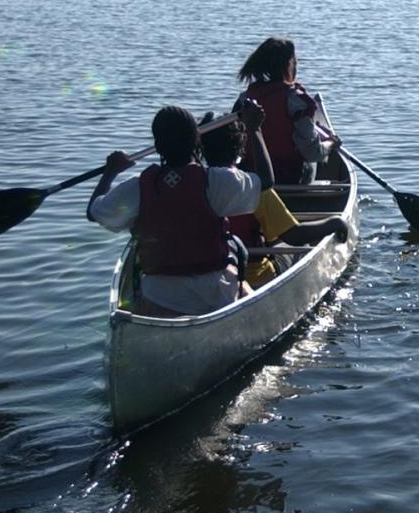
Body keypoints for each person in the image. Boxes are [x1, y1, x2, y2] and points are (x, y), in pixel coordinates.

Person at [87, 99, 273, 317]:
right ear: (197, 141)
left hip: (160, 296)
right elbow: (266, 180)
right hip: (216, 293)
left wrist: (110, 171)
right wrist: (254, 129)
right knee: (255, 299)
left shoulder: (137, 187)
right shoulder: (217, 180)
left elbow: (93, 212)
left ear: (157, 146)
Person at [199, 115, 349, 290]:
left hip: (209, 276)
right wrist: (333, 223)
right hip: (254, 278)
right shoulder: (253, 188)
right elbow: (295, 236)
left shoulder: (194, 186)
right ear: (241, 149)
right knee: (296, 247)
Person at [236, 36, 339, 185]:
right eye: (295, 62)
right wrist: (330, 143)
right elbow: (312, 153)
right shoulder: (297, 102)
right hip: (290, 179)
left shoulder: (244, 99)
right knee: (314, 158)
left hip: (253, 178)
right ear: (289, 65)